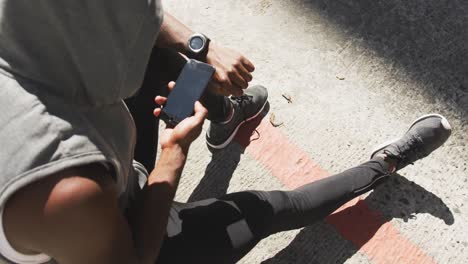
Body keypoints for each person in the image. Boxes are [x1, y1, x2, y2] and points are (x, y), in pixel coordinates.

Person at [0, 1, 452, 264]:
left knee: (168, 63)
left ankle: (224, 116)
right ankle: (386, 163)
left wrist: (201, 48)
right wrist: (173, 156)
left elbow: (136, 17)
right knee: (269, 208)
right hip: (111, 239)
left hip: (105, 169)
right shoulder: (60, 183)